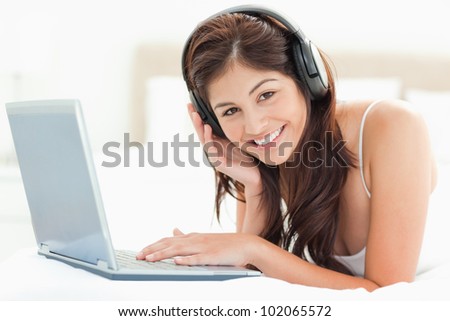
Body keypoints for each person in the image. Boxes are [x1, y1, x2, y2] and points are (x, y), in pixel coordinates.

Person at [136, 5, 437, 291]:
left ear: (307, 78)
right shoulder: (256, 155)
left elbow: (388, 294)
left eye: (266, 94)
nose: (254, 127)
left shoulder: (393, 125)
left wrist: (253, 248)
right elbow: (248, 275)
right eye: (230, 111)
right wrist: (254, 186)